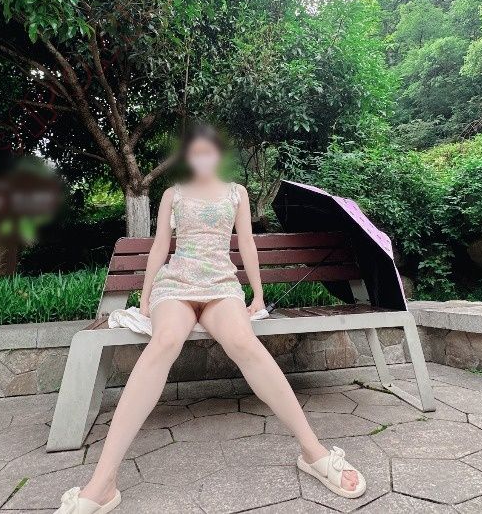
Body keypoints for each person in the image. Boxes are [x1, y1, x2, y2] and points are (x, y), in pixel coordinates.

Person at [55, 124, 366, 514]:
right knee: (164, 342)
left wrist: (258, 293)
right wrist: (146, 297)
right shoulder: (173, 194)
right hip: (176, 286)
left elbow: (246, 242)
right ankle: (103, 482)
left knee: (243, 342)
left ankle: (312, 451)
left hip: (221, 285)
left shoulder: (237, 193)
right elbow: (160, 246)